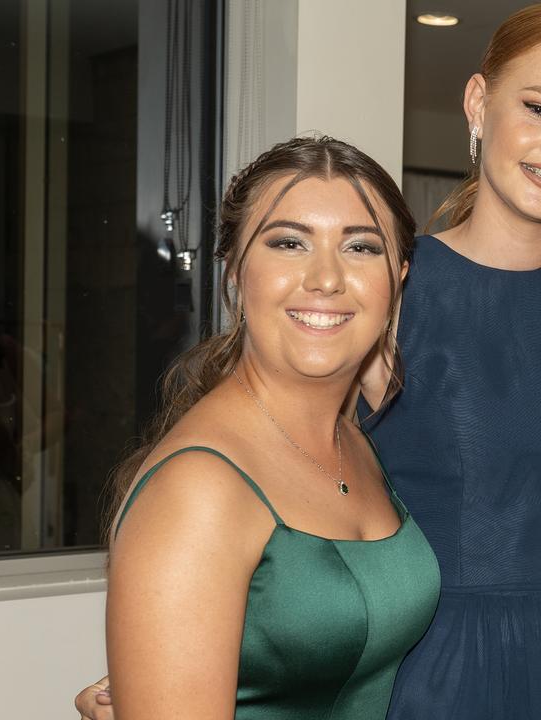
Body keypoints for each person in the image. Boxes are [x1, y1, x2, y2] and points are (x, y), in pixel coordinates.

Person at [78, 5, 541, 719]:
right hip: (436, 668)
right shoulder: (382, 287)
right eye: (538, 107)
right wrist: (174, 661)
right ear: (479, 103)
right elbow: (270, 459)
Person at [102, 136, 440, 719]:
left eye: (361, 247)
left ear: (399, 278)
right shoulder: (198, 490)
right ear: (235, 270)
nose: (326, 278)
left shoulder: (355, 440)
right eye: (289, 243)